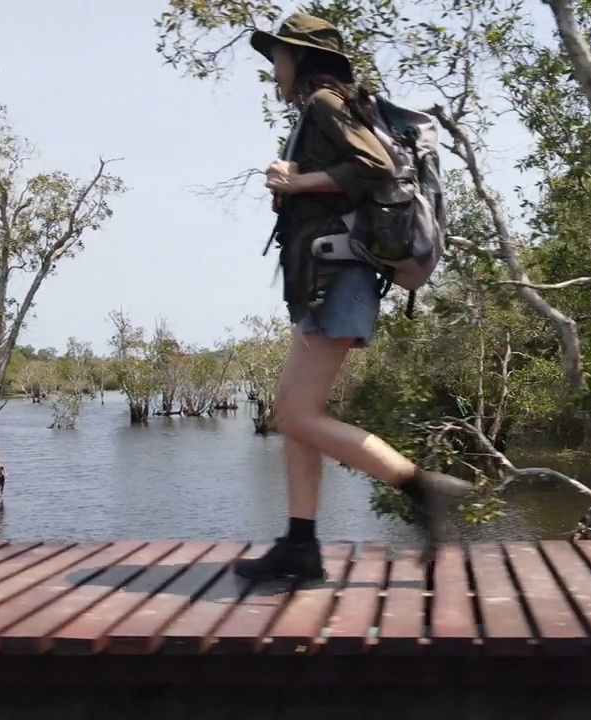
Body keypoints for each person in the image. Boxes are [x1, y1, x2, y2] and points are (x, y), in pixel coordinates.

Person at [236, 12, 471, 582]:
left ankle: (423, 487)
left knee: (295, 413)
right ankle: (300, 543)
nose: (273, 72)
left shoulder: (325, 103)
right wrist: (294, 184)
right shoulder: (325, 108)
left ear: (303, 60)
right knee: (292, 415)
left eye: (279, 58)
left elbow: (379, 165)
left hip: (337, 277)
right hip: (325, 277)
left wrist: (297, 182)